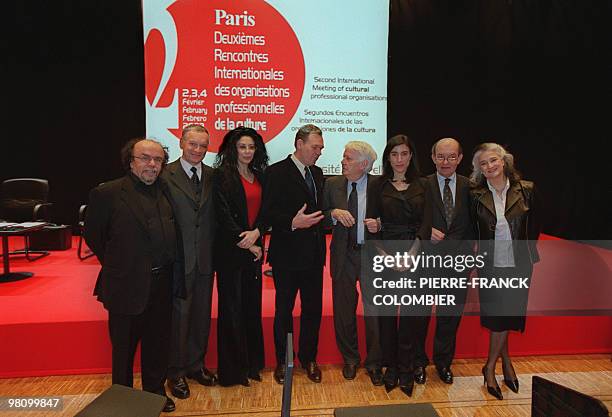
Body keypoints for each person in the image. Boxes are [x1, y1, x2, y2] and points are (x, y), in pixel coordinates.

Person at [85, 138, 179, 413]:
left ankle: (154, 393)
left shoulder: (166, 190)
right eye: (145, 158)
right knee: (124, 350)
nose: (152, 164)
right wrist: (121, 265)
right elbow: (94, 236)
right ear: (131, 161)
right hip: (126, 285)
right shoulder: (108, 193)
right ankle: (123, 400)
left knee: (158, 345)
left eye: (158, 160)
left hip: (162, 284)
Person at [469, 142, 541, 400]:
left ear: (504, 160)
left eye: (492, 161)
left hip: (519, 265)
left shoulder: (527, 190)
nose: (489, 167)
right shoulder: (475, 194)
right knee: (498, 317)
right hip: (490, 266)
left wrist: (527, 256)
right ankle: (492, 367)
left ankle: (502, 362)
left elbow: (534, 227)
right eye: (483, 164)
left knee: (508, 316)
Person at [261, 124, 326, 385]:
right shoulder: (275, 173)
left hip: (314, 256)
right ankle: (283, 361)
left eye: (321, 148)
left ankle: (309, 359)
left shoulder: (319, 173)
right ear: (299, 144)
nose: (319, 152)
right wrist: (291, 222)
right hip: (286, 256)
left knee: (313, 310)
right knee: (284, 311)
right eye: (315, 147)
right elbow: (266, 214)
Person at [161, 124, 217, 400]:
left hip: (206, 260)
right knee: (179, 318)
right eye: (193, 144)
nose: (197, 150)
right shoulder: (164, 174)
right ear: (181, 143)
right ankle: (175, 372)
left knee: (200, 316)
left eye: (203, 146)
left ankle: (196, 365)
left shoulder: (213, 176)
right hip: (178, 261)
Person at [322, 141, 383, 386]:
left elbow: (395, 219)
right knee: (343, 311)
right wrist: (333, 214)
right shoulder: (332, 184)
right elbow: (321, 216)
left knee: (375, 312)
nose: (342, 162)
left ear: (364, 165)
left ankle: (375, 363)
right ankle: (350, 358)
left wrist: (381, 225)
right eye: (344, 157)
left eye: (348, 158)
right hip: (342, 255)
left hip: (371, 255)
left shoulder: (381, 186)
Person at [414, 138, 473, 385]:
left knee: (450, 318)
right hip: (425, 263)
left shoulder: (472, 188)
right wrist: (425, 230)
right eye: (440, 156)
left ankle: (443, 363)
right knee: (419, 316)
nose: (445, 162)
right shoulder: (419, 185)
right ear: (432, 157)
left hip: (458, 266)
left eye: (451, 157)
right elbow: (408, 219)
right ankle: (417, 362)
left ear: (460, 159)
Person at [213, 127, 269, 387]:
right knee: (231, 309)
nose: (247, 152)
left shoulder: (259, 176)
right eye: (242, 147)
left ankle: (251, 365)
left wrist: (257, 233)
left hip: (254, 250)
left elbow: (265, 211)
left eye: (251, 147)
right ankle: (233, 371)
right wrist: (246, 243)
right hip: (231, 252)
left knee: (251, 307)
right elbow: (222, 216)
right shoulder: (221, 176)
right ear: (232, 149)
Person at [372, 134, 427, 397]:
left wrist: (413, 253)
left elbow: (426, 224)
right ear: (387, 158)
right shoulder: (378, 186)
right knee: (386, 317)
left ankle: (406, 369)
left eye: (404, 154)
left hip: (415, 256)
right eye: (394, 154)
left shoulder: (423, 185)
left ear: (411, 156)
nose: (399, 160)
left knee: (409, 316)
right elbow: (372, 224)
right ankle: (390, 368)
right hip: (385, 256)